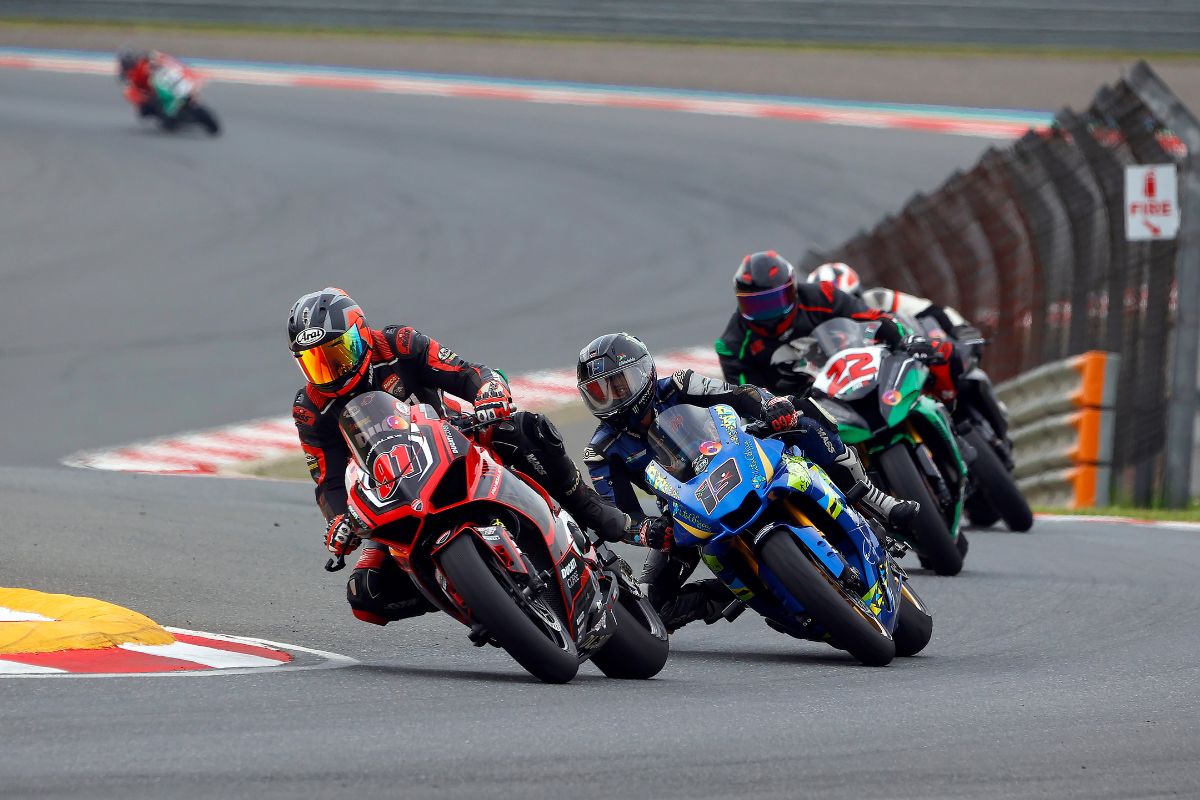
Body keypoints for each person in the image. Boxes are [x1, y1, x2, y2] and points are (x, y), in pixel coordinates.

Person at [288, 288, 631, 627]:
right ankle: (474, 597)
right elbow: (328, 482)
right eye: (315, 362)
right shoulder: (311, 409)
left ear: (361, 334)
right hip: (392, 493)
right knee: (365, 595)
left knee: (527, 429)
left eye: (337, 352)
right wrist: (338, 521)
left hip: (456, 444)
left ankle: (587, 507)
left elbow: (467, 372)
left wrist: (489, 391)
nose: (332, 368)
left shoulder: (398, 344)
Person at [577, 332, 918, 631]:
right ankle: (740, 591)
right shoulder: (601, 451)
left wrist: (771, 406)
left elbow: (738, 394)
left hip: (741, 456)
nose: (612, 397)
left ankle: (875, 501)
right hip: (687, 507)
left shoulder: (679, 383)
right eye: (598, 392)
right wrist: (644, 531)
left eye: (618, 384)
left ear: (643, 373)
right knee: (654, 610)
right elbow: (617, 514)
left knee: (803, 416)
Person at [716, 252, 946, 395]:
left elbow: (870, 317)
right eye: (756, 305)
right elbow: (748, 395)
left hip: (856, 373)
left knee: (942, 356)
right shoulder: (732, 345)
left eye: (774, 301)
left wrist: (902, 338)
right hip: (801, 406)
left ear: (792, 290)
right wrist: (773, 406)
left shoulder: (822, 296)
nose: (768, 313)